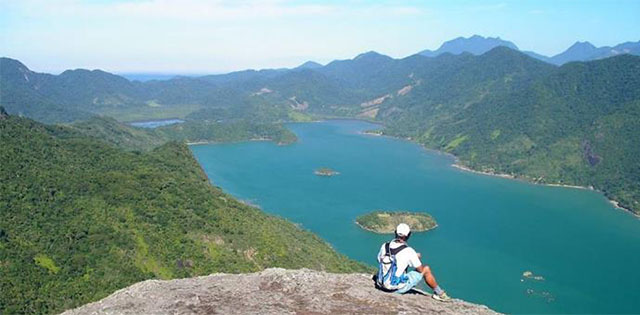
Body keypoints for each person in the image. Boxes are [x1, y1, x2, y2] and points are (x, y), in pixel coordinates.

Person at [376, 223, 451, 301]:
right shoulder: (409, 251)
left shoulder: (385, 246)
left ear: (395, 233)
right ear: (408, 235)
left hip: (381, 283)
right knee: (426, 269)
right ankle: (440, 294)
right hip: (394, 289)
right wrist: (414, 257)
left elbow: (379, 259)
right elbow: (420, 270)